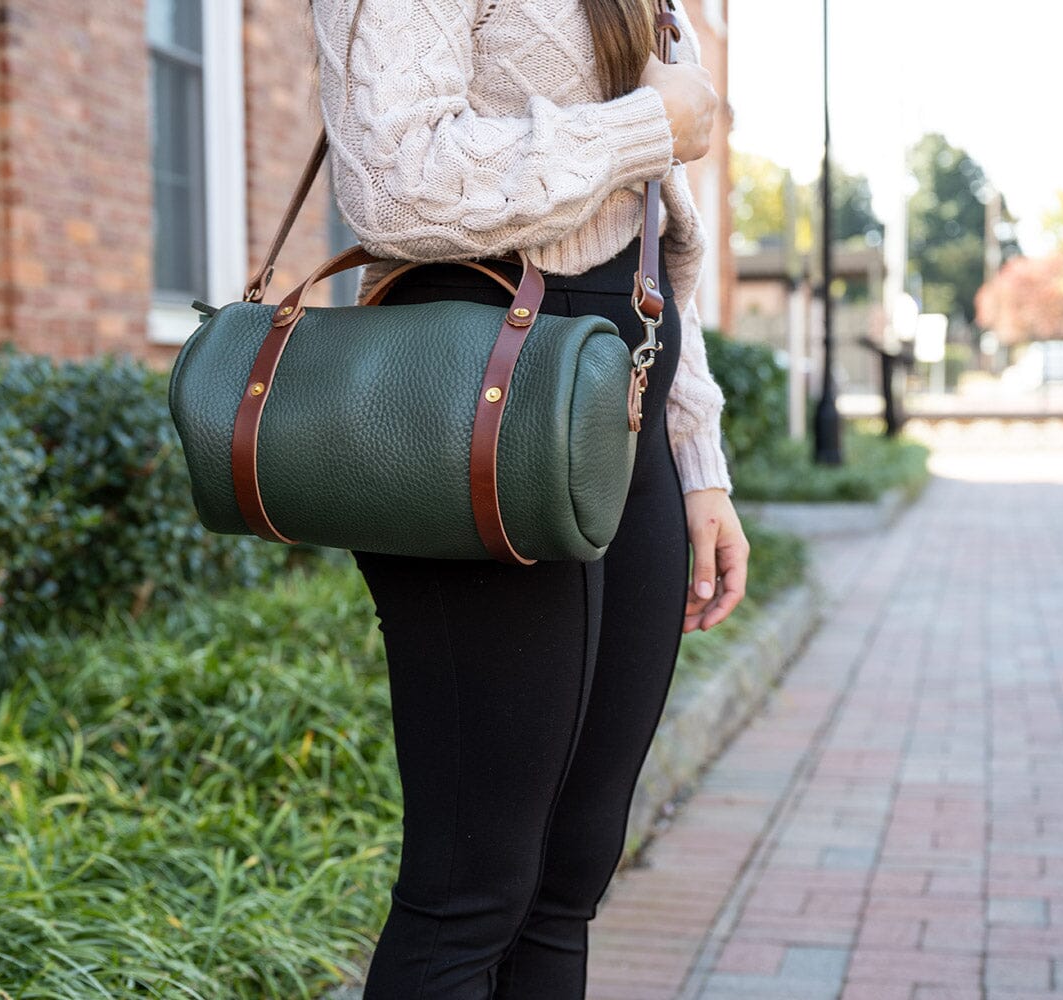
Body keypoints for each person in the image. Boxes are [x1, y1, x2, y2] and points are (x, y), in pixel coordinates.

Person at [305, 1, 751, 996]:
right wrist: (645, 124)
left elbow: (656, 239)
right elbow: (393, 183)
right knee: (473, 889)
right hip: (478, 406)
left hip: (623, 400)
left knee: (567, 880)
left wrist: (698, 460)